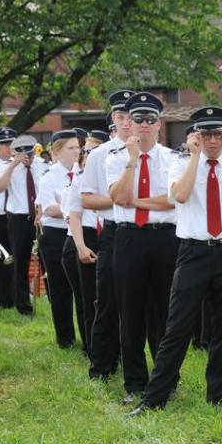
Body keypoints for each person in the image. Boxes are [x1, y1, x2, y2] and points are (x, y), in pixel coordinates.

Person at [127, 107, 222, 416]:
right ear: (197, 136)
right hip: (194, 252)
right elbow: (180, 196)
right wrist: (195, 158)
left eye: (218, 134)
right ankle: (154, 399)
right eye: (206, 135)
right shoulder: (181, 163)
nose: (213, 141)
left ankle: (216, 397)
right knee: (177, 327)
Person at [107, 91, 178, 403]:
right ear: (129, 123)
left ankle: (166, 381)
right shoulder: (116, 159)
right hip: (129, 239)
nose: (145, 124)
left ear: (159, 124)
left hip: (164, 238)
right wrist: (133, 161)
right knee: (131, 312)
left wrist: (134, 201)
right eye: (139, 119)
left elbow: (171, 201)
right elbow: (117, 197)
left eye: (151, 119)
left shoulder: (173, 159)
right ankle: (135, 383)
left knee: (164, 312)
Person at [82, 89, 133, 380]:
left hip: (146, 231)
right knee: (107, 302)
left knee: (144, 304)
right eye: (121, 116)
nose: (127, 123)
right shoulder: (99, 154)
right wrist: (121, 200)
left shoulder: (155, 152)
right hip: (114, 231)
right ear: (113, 118)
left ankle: (137, 364)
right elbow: (87, 199)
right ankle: (102, 366)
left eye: (132, 117)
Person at [62, 130, 108, 357]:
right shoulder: (80, 178)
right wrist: (80, 246)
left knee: (113, 299)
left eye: (93, 150)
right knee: (90, 299)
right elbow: (74, 214)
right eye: (85, 151)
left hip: (112, 235)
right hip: (88, 237)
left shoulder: (114, 177)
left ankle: (116, 349)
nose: (88, 155)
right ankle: (94, 350)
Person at [37, 130, 80, 348]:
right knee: (60, 289)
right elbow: (50, 209)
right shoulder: (49, 177)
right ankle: (65, 339)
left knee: (83, 290)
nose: (76, 151)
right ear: (57, 151)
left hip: (78, 233)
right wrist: (73, 206)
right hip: (56, 235)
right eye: (71, 148)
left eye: (78, 147)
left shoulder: (82, 172)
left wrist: (64, 203)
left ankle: (89, 338)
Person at [0, 134, 43, 316]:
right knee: (20, 264)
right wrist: (13, 165)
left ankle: (52, 299)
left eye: (30, 154)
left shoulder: (42, 166)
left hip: (41, 218)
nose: (27, 158)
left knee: (46, 262)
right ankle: (23, 306)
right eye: (23, 154)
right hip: (19, 220)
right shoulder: (9, 168)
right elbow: (0, 187)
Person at [0, 127, 17, 309]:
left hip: (14, 218)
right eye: (4, 144)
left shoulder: (22, 164)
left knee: (12, 259)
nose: (8, 147)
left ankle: (10, 299)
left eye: (11, 143)